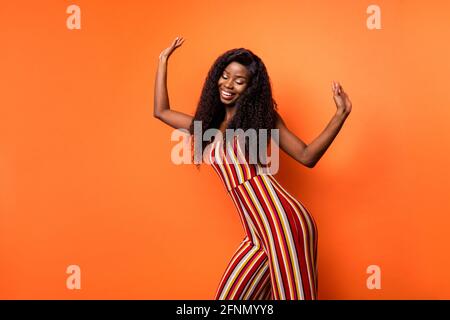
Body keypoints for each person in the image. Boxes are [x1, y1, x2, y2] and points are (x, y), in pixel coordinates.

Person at [153, 36, 352, 300]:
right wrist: (163, 60)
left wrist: (340, 114)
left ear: (249, 88)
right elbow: (161, 111)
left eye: (239, 80)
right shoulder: (207, 127)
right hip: (256, 234)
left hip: (284, 223)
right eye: (225, 76)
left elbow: (307, 155)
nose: (229, 85)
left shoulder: (261, 118)